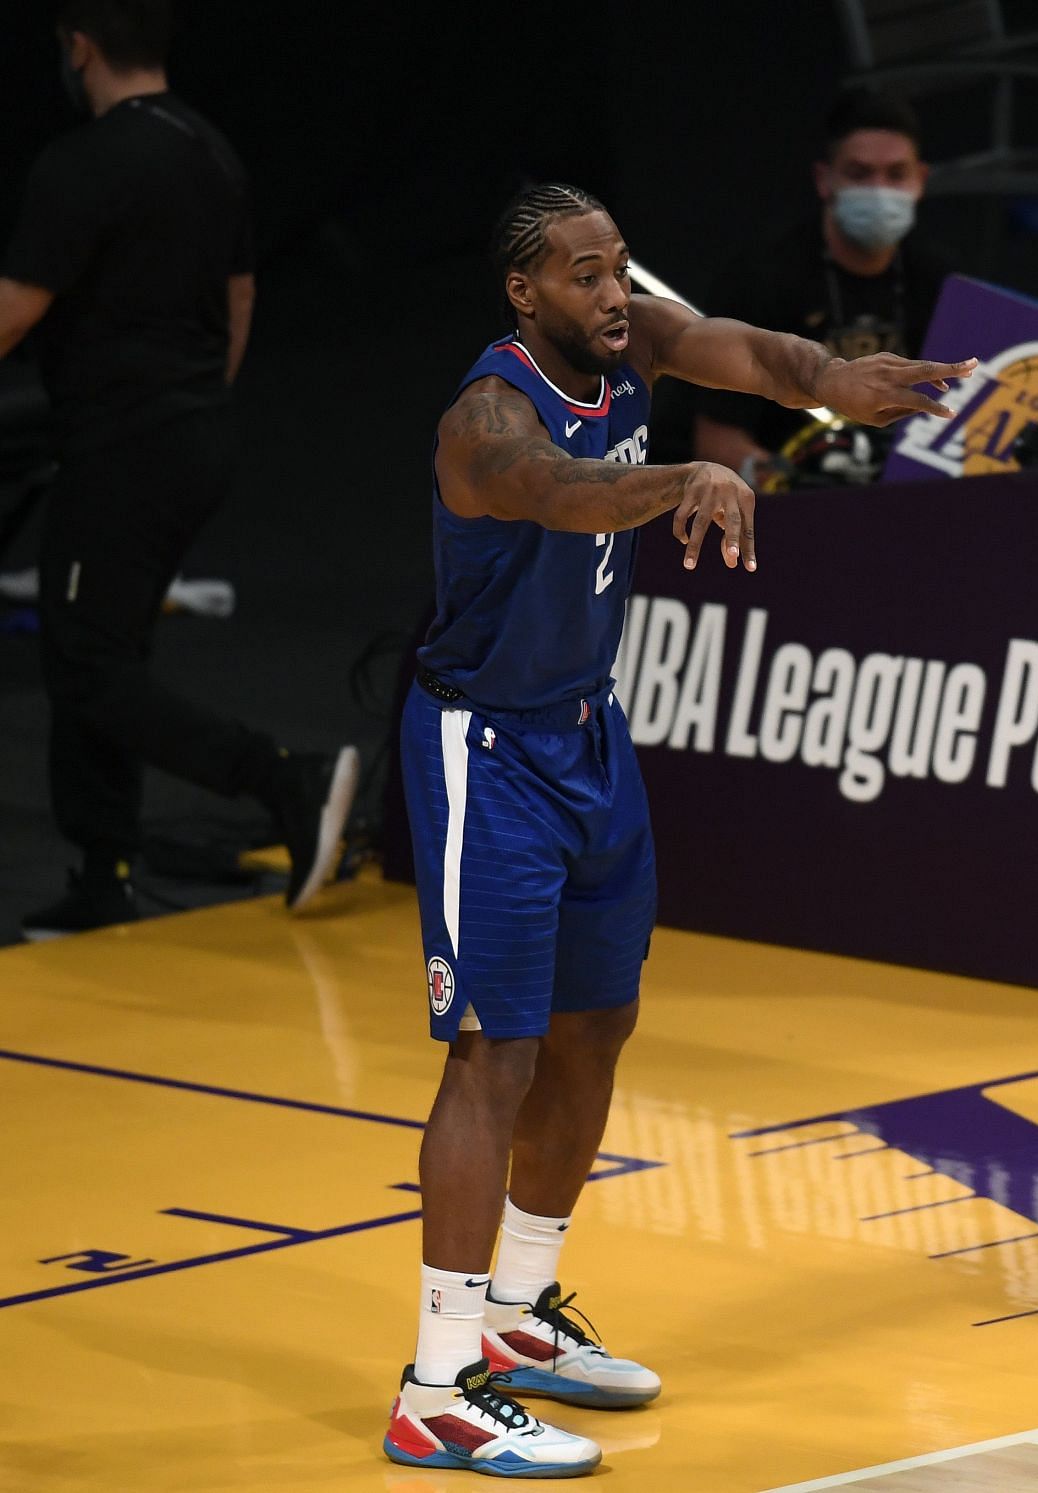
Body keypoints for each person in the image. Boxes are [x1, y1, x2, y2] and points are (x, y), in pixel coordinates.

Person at [382, 181, 972, 1478]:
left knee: (600, 1023)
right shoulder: (483, 422)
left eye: (621, 269)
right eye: (584, 277)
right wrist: (687, 473)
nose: (614, 295)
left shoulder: (631, 336)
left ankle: (519, 1314)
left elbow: (751, 351)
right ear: (522, 293)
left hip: (589, 733)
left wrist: (840, 380)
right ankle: (438, 1380)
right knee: (494, 1054)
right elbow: (559, 494)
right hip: (487, 747)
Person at [0, 0, 357, 937]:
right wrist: (192, 401)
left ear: (78, 46)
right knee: (103, 647)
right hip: (195, 434)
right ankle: (101, 875)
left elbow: (11, 314)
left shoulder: (81, 162)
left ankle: (287, 775)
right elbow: (239, 301)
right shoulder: (211, 151)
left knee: (85, 667)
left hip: (124, 448)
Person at [691, 86, 953, 489]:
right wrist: (789, 480)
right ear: (824, 179)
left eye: (896, 174)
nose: (879, 189)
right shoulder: (761, 278)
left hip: (912, 498)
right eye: (859, 174)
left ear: (921, 180)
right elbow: (717, 438)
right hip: (793, 507)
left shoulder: (941, 280)